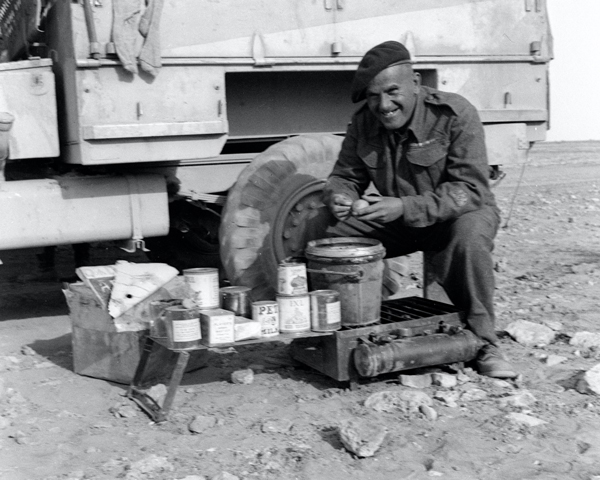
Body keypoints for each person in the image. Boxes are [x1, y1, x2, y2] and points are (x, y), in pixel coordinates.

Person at [322, 40, 516, 379]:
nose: (383, 105)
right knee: (324, 237)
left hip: (458, 215)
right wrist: (339, 196)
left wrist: (403, 207)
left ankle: (485, 343)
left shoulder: (454, 114)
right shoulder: (363, 124)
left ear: (415, 81)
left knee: (468, 237)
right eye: (372, 96)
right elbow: (344, 176)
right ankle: (333, 332)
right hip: (400, 222)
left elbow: (470, 191)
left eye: (393, 91)